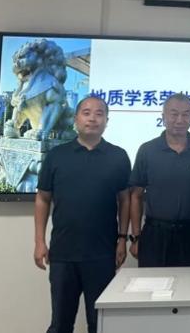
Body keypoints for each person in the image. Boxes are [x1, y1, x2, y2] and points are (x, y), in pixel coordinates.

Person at [34, 96, 131, 333]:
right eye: (86, 113)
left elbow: (125, 199)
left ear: (107, 120)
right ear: (76, 118)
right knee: (60, 323)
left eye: (99, 113)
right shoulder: (57, 155)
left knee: (99, 323)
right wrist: (39, 242)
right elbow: (43, 198)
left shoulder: (118, 156)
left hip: (102, 254)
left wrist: (122, 238)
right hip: (63, 253)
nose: (93, 119)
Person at [128, 93, 190, 267]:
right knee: (152, 283)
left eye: (186, 114)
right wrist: (136, 237)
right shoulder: (147, 150)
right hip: (155, 234)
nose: (180, 120)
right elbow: (136, 196)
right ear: (163, 117)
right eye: (174, 114)